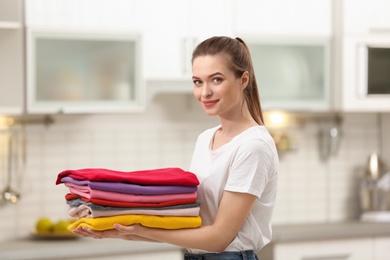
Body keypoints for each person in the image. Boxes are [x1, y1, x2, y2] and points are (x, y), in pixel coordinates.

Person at [73, 36, 279, 260]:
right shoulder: (205, 139)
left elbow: (220, 237)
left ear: (243, 80)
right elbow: (195, 228)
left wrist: (143, 230)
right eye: (197, 82)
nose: (205, 92)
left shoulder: (253, 146)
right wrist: (119, 232)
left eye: (216, 80)